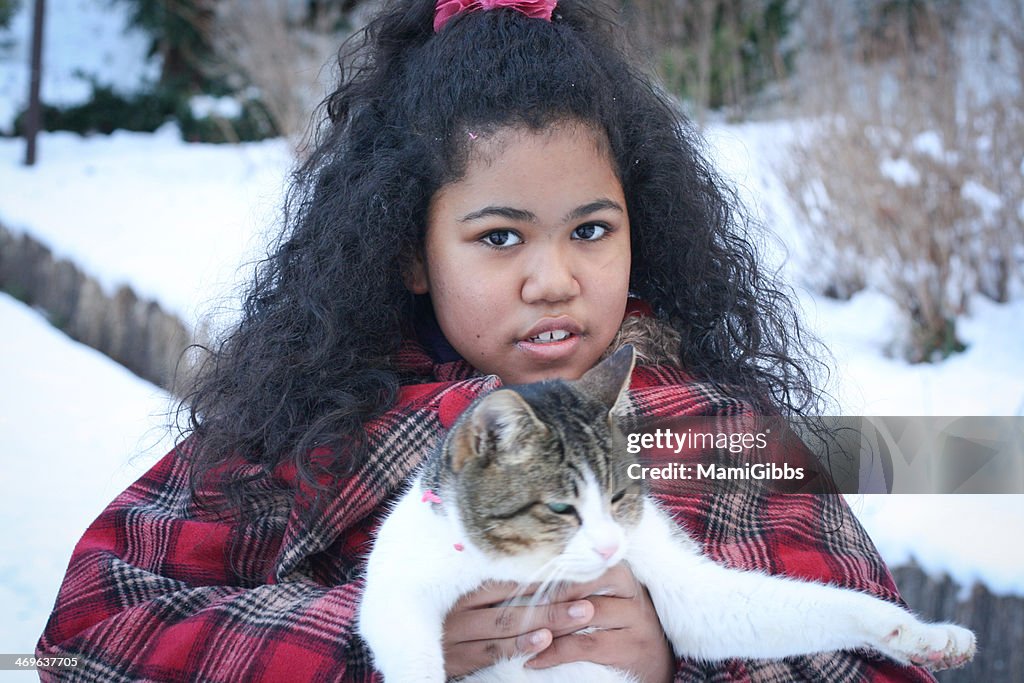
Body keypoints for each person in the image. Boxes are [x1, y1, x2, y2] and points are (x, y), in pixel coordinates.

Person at [37, 1, 937, 681]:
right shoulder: (310, 427)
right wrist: (379, 636)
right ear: (411, 254)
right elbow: (93, 626)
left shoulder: (713, 431)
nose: (554, 279)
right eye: (500, 237)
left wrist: (684, 656)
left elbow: (889, 657)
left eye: (591, 230)